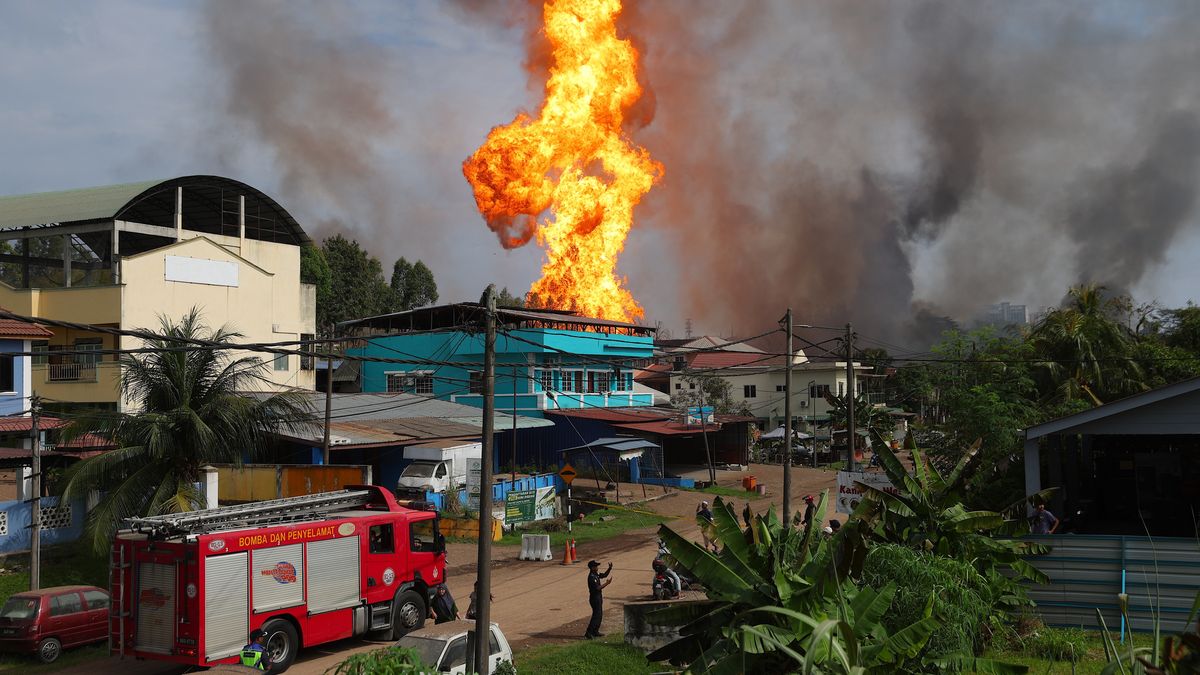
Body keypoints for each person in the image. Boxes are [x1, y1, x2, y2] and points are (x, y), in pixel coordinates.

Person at [584, 559, 613, 639]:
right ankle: (589, 632)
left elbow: (604, 575)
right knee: (596, 616)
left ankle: (595, 631)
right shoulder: (591, 577)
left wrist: (609, 569)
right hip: (594, 598)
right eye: (596, 566)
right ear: (592, 568)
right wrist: (607, 583)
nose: (597, 567)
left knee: (599, 615)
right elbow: (597, 588)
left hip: (598, 597)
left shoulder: (595, 574)